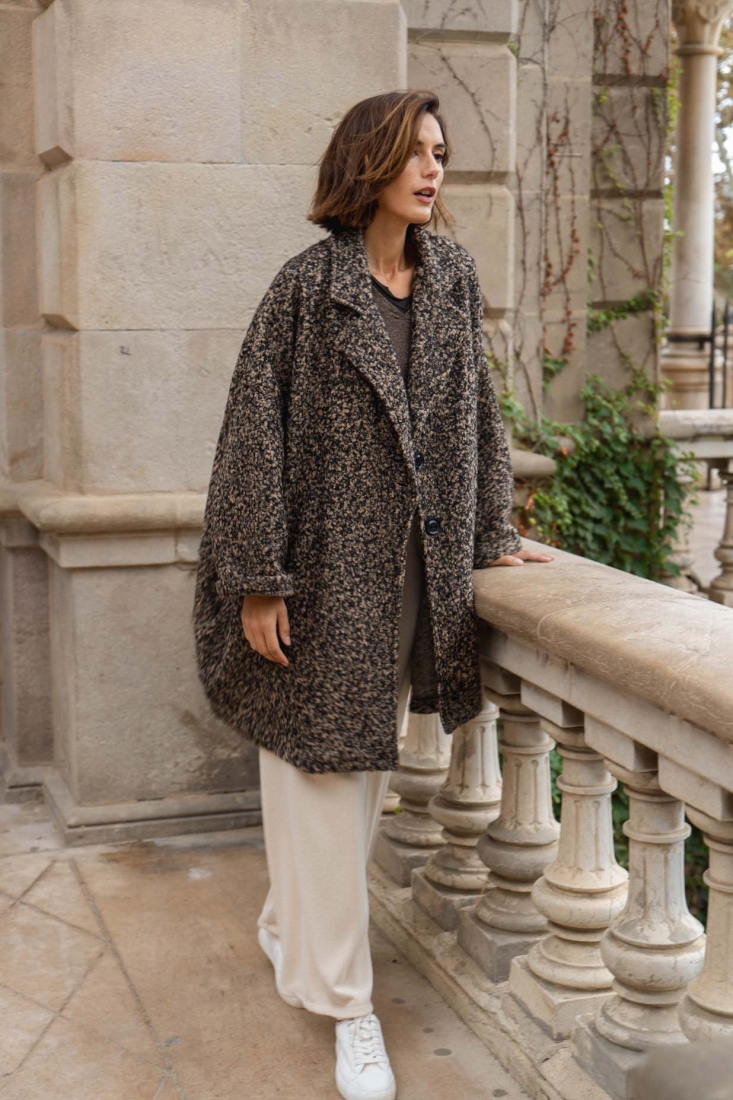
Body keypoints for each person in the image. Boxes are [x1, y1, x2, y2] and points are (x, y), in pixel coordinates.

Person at [192, 89, 552, 1100]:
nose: (434, 169)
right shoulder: (305, 289)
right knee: (318, 780)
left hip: (412, 584)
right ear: (371, 163)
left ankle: (288, 925)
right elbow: (250, 437)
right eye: (415, 152)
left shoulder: (452, 280)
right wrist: (256, 579)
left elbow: (478, 413)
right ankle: (350, 1007)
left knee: (354, 787)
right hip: (317, 582)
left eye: (441, 152)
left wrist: (492, 532)